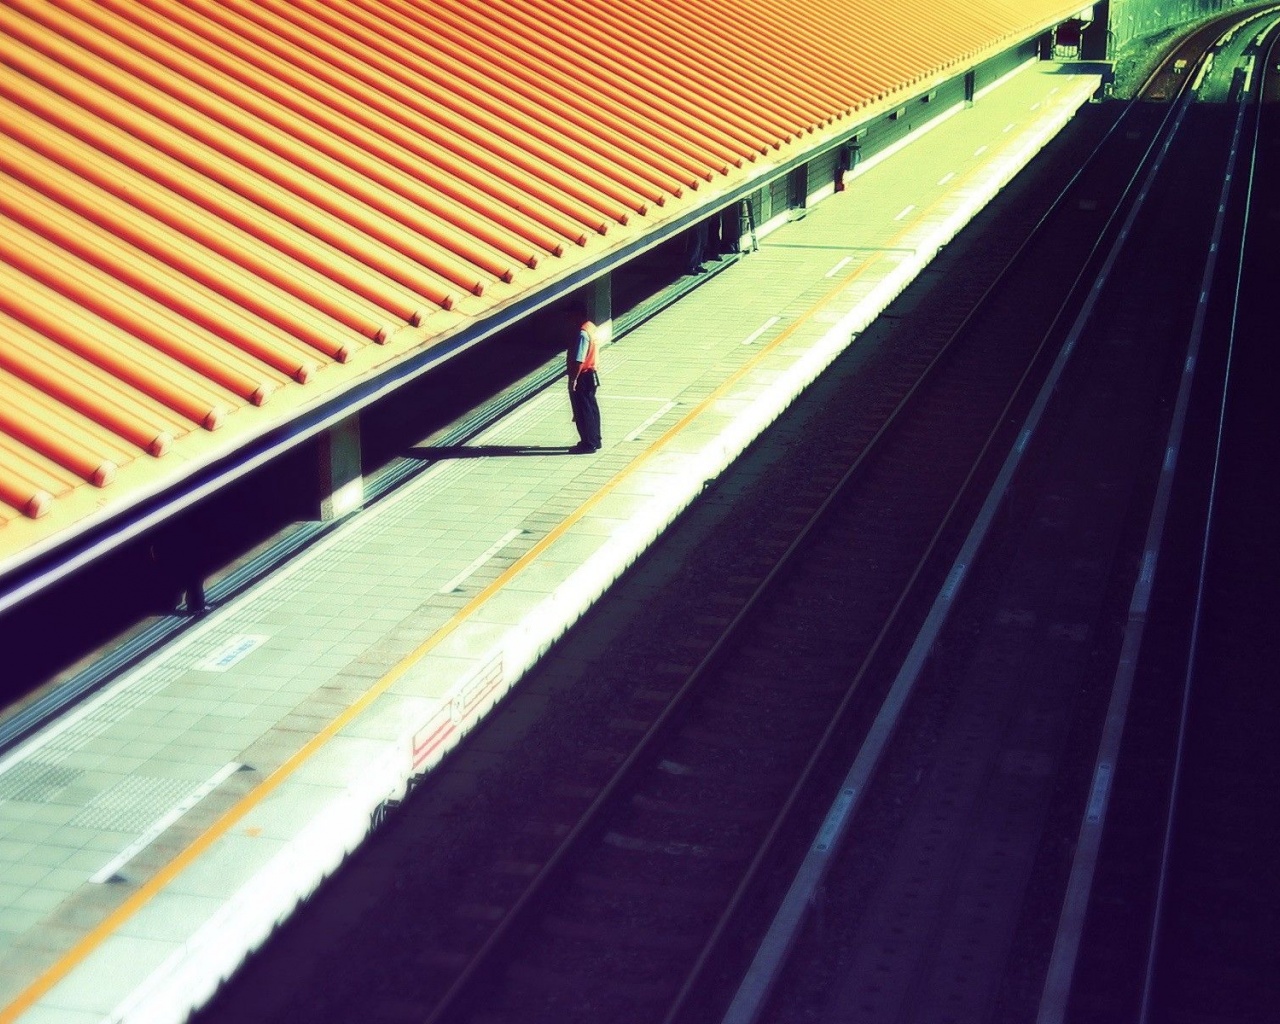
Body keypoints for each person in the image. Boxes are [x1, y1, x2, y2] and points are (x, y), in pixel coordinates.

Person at [566, 302, 602, 452]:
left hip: (583, 375)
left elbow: (579, 359)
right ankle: (596, 439)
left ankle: (588, 443)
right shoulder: (591, 327)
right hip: (592, 374)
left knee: (583, 410)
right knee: (592, 408)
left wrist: (573, 379)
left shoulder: (582, 333)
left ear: (577, 315)